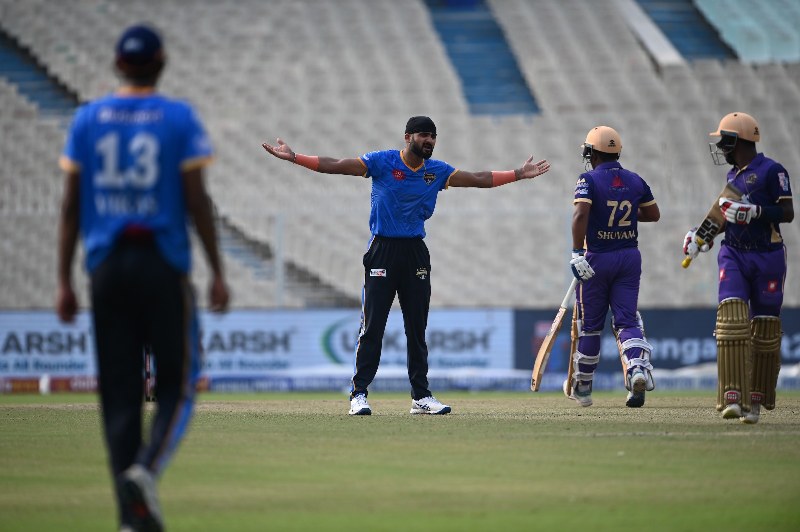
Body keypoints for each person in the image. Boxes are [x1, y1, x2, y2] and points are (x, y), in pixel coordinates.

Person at [56, 24, 229, 531]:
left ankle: (129, 519)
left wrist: (63, 279)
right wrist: (217, 271)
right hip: (161, 265)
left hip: (106, 269)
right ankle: (146, 471)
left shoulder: (87, 119)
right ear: (161, 63)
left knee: (119, 397)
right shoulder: (178, 118)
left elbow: (70, 206)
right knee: (179, 385)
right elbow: (196, 199)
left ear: (117, 64)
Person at [262, 116, 550, 415]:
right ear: (408, 137)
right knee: (373, 327)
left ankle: (421, 397)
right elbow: (336, 165)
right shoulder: (382, 162)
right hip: (382, 250)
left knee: (417, 328)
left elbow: (479, 179)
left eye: (433, 136)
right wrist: (295, 158)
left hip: (415, 252)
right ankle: (358, 394)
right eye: (423, 135)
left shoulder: (437, 171)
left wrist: (518, 174)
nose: (429, 141)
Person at [683, 112, 793, 424]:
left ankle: (755, 399)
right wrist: (699, 237)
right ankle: (732, 395)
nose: (720, 147)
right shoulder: (734, 176)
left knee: (765, 329)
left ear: (737, 141)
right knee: (730, 318)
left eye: (724, 141)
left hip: (768, 255)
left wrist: (755, 212)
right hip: (733, 254)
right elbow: (724, 217)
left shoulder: (773, 171)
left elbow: (787, 212)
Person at [566, 126, 660, 408]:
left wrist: (576, 251)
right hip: (629, 258)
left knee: (590, 326)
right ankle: (637, 368)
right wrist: (622, 215)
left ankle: (584, 386)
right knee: (627, 321)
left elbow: (580, 214)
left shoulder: (588, 179)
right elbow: (653, 214)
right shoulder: (635, 179)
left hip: (596, 258)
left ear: (592, 153)